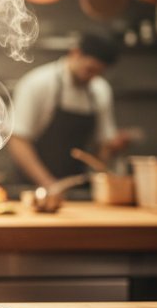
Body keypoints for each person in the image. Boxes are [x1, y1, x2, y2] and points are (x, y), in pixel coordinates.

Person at [7, 31, 129, 189]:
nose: (92, 77)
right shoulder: (37, 83)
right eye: (90, 70)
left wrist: (102, 173)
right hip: (33, 188)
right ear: (76, 53)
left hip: (78, 188)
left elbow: (104, 144)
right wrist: (49, 185)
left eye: (99, 73)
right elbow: (18, 140)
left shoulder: (100, 90)